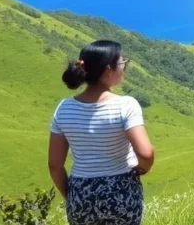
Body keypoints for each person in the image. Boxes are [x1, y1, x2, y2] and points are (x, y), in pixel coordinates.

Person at [48, 40, 154, 225]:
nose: (124, 68)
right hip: (121, 192)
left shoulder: (63, 108)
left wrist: (73, 196)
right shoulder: (126, 105)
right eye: (122, 63)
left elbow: (54, 165)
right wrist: (143, 168)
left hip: (81, 193)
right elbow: (146, 153)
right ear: (108, 70)